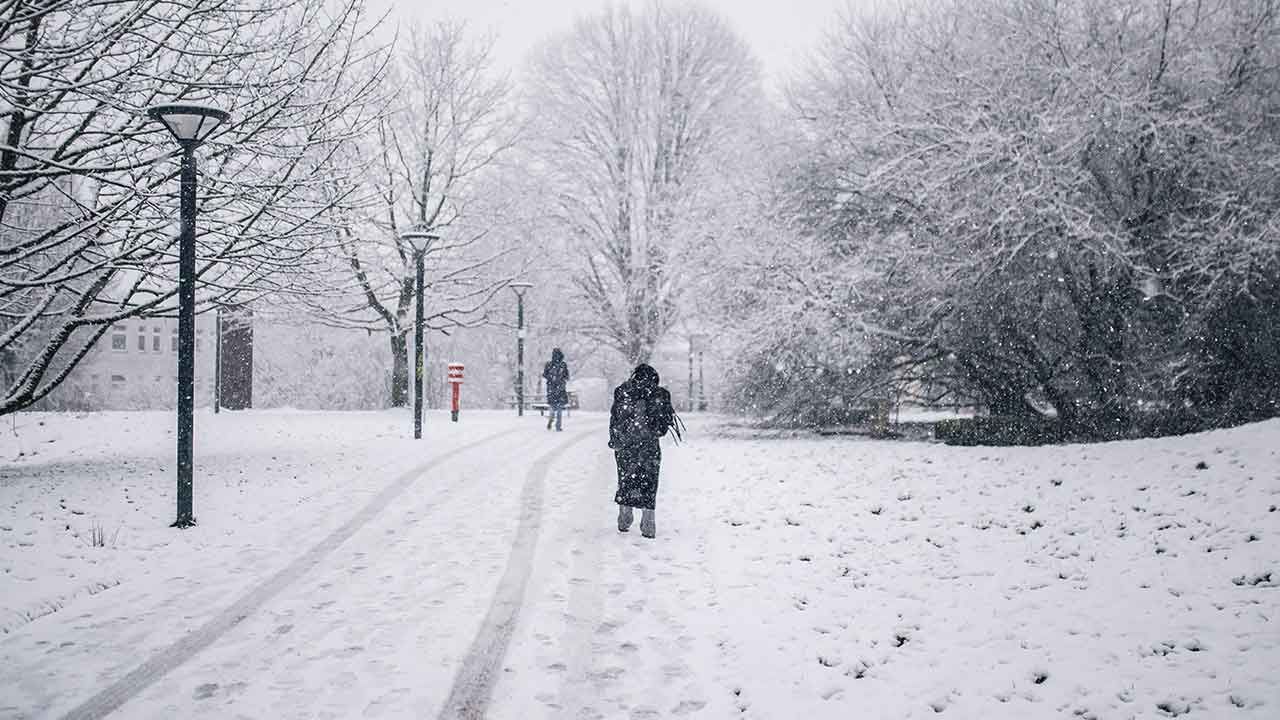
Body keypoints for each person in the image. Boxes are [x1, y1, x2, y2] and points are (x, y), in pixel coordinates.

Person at [609, 363, 679, 539]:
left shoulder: (622, 391)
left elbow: (615, 418)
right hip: (650, 445)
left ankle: (624, 517)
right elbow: (663, 427)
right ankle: (648, 523)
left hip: (626, 445)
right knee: (650, 481)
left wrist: (615, 439)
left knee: (626, 478)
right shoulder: (660, 394)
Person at [542, 348, 570, 431]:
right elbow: (567, 376)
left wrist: (551, 379)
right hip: (560, 388)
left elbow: (544, 375)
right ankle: (558, 426)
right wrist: (562, 379)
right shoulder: (563, 364)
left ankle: (551, 418)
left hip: (551, 388)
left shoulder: (548, 364)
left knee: (552, 406)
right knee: (559, 408)